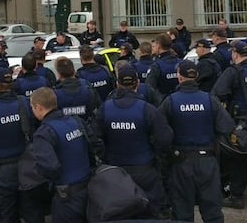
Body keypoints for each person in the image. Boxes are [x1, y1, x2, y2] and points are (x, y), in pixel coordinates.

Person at [159, 60, 233, 223]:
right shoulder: (209, 99)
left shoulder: (171, 101)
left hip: (180, 163)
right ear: (196, 76)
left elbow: (159, 133)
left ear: (179, 77)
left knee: (182, 212)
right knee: (212, 212)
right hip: (208, 161)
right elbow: (227, 126)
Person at [94, 64, 173, 217]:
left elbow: (95, 139)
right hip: (145, 171)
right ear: (137, 83)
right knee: (150, 214)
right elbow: (165, 139)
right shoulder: (148, 109)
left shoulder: (105, 109)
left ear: (117, 84)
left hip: (115, 174)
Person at [0, 68, 43, 223]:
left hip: (2, 169)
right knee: (32, 210)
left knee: (5, 213)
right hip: (28, 166)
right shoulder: (24, 102)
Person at [31, 87, 99, 223]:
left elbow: (50, 168)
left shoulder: (44, 133)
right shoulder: (76, 121)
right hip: (90, 190)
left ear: (38, 107)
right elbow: (95, 148)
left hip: (67, 197)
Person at [212, 40, 247, 209]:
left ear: (234, 53)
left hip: (239, 122)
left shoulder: (232, 72)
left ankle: (236, 196)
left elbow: (217, 94)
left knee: (237, 159)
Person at [53, 56, 100, 121]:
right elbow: (97, 107)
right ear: (74, 71)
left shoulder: (54, 94)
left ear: (58, 74)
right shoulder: (87, 87)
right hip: (87, 127)